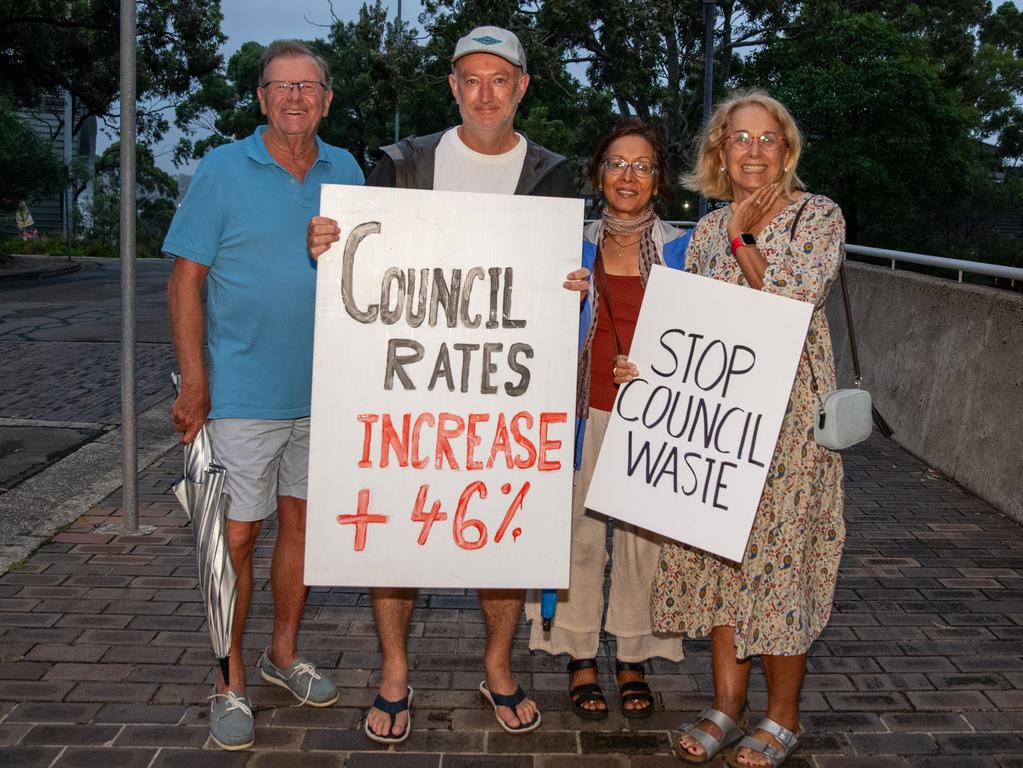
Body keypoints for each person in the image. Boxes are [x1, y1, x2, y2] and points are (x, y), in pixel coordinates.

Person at [307, 25, 584, 744]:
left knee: (503, 522)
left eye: (500, 79)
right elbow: (362, 271)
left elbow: (552, 279)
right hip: (405, 386)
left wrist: (571, 283)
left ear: (521, 87)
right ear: (452, 86)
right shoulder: (400, 165)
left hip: (499, 392)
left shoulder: (552, 172)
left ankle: (497, 665)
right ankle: (394, 671)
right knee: (393, 525)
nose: (485, 93)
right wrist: (328, 247)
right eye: (471, 79)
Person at [164, 40, 364, 751]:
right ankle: (229, 681)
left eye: (308, 87)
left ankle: (283, 654)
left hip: (325, 391)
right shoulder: (222, 170)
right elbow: (184, 282)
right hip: (241, 394)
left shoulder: (347, 170)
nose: (294, 98)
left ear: (327, 100)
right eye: (280, 87)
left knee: (302, 533)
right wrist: (195, 382)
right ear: (260, 99)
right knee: (235, 538)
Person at [651, 89, 845, 767]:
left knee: (777, 567)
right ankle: (725, 705)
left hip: (790, 426)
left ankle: (781, 715)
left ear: (785, 149)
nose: (753, 151)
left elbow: (789, 296)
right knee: (720, 561)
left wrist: (743, 236)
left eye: (767, 139)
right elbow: (688, 325)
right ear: (719, 150)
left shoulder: (816, 217)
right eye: (740, 138)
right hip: (720, 428)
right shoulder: (701, 230)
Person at [523, 121, 690, 720]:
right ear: (598, 173)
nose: (628, 176)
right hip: (579, 411)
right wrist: (555, 291)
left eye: (642, 166)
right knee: (578, 536)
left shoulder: (683, 250)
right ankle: (579, 656)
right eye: (617, 163)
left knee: (646, 542)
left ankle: (634, 656)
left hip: (654, 421)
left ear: (658, 181)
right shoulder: (567, 243)